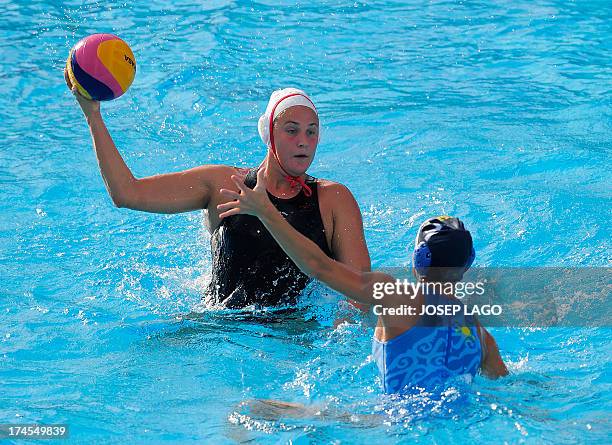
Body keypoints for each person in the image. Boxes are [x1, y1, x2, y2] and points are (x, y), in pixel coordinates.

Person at [64, 74, 371, 308]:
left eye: (311, 132)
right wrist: (93, 114)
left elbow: (360, 293)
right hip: (219, 326)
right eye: (291, 130)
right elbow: (126, 193)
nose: (303, 141)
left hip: (294, 333)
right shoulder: (222, 185)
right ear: (270, 135)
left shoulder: (333, 200)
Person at [217, 169, 508, 392]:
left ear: (419, 260)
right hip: (460, 420)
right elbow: (505, 386)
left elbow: (318, 266)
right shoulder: (479, 334)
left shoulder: (395, 297)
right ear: (466, 266)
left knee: (257, 410)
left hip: (398, 425)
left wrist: (265, 211)